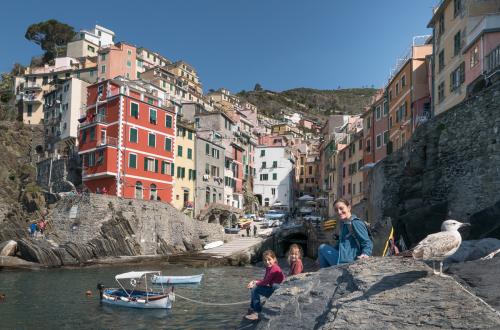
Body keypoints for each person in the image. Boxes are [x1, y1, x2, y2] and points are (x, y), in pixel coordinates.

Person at [317, 198, 372, 268]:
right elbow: (338, 245)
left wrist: (366, 253)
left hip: (350, 261)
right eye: (336, 210)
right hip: (343, 259)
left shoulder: (355, 223)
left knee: (322, 247)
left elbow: (367, 242)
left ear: (349, 208)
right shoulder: (345, 225)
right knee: (322, 251)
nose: (339, 212)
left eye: (341, 208)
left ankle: (325, 273)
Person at [245, 250, 285, 321]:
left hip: (277, 292)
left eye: (269, 259)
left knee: (255, 289)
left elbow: (265, 282)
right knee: (254, 287)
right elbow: (265, 281)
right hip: (273, 289)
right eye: (265, 260)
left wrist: (254, 283)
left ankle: (257, 312)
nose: (267, 262)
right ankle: (252, 308)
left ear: (274, 259)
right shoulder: (269, 268)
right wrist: (254, 281)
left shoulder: (274, 269)